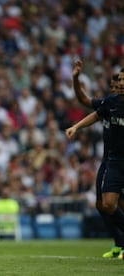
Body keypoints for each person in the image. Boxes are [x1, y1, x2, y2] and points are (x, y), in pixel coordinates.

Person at [66, 68, 124, 258]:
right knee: (105, 205)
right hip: (112, 161)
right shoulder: (110, 103)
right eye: (116, 83)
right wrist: (76, 127)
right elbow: (87, 105)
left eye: (121, 82)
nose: (119, 86)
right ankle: (120, 242)